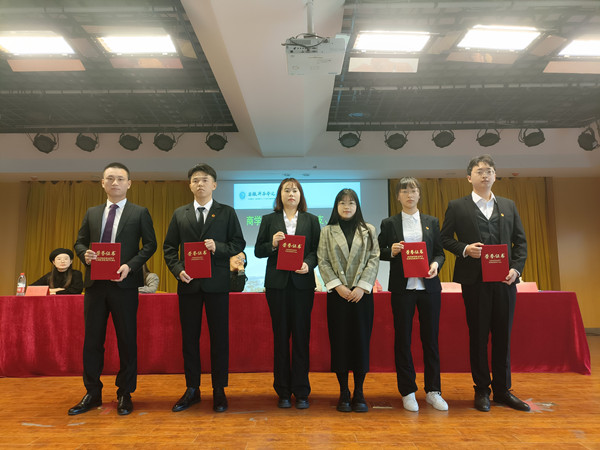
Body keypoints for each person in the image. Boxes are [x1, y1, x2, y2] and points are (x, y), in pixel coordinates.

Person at [440, 154, 529, 412]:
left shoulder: (508, 206)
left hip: (504, 282)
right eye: (479, 171)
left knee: (503, 337)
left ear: (495, 176)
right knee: (478, 337)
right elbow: (444, 238)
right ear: (469, 177)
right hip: (474, 282)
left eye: (489, 171)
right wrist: (465, 249)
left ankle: (503, 390)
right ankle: (481, 390)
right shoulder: (457, 206)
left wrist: (516, 269)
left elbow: (520, 242)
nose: (485, 175)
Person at [69, 162, 157, 416]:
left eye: (120, 178)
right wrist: (84, 254)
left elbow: (150, 245)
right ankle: (92, 392)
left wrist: (131, 266)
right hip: (95, 286)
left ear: (129, 183)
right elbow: (79, 242)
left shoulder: (139, 212)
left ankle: (125, 393)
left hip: (124, 285)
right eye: (110, 178)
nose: (115, 182)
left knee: (126, 340)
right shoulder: (92, 212)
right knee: (92, 341)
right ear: (102, 183)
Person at [163, 163, 245, 413]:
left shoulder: (227, 212)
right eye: (195, 180)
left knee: (219, 339)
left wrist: (218, 247)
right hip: (188, 284)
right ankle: (192, 389)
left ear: (214, 184)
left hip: (217, 285)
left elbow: (238, 244)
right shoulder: (180, 213)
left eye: (205, 180)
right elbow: (169, 248)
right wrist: (178, 270)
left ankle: (219, 389)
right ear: (190, 185)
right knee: (189, 339)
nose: (200, 184)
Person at [378, 177, 447, 412]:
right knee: (403, 340)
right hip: (403, 289)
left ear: (419, 195)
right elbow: (378, 251)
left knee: (431, 340)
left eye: (413, 190)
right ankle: (407, 391)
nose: (409, 195)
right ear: (398, 196)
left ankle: (433, 391)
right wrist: (391, 251)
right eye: (404, 191)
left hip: (429, 288)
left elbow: (439, 253)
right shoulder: (389, 223)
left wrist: (435, 265)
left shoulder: (431, 222)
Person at [254, 178, 321, 409]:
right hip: (277, 286)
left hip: (302, 286)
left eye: (295, 190)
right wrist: (272, 244)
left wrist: (308, 264)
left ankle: (302, 391)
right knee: (281, 338)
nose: (291, 194)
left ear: (300, 195)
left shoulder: (311, 220)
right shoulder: (268, 220)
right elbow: (258, 250)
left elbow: (316, 250)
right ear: (280, 195)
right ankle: (282, 391)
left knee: (301, 338)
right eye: (286, 190)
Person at [317, 188, 379, 413]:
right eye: (342, 203)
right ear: (336, 206)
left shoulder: (369, 229)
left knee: (361, 343)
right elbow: (322, 260)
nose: (347, 206)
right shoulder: (327, 231)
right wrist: (339, 287)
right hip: (338, 296)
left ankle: (359, 392)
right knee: (340, 343)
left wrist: (362, 286)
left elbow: (374, 258)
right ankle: (344, 392)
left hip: (362, 296)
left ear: (357, 206)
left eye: (351, 202)